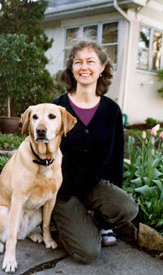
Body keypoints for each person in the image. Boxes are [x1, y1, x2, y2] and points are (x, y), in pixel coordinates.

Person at [52, 39, 138, 264]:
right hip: (63, 190)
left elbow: (116, 157)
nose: (84, 67)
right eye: (78, 62)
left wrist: (112, 198)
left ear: (101, 68)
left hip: (94, 185)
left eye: (90, 61)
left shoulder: (111, 110)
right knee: (88, 253)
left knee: (127, 208)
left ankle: (96, 224)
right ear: (72, 68)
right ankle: (61, 219)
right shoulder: (57, 108)